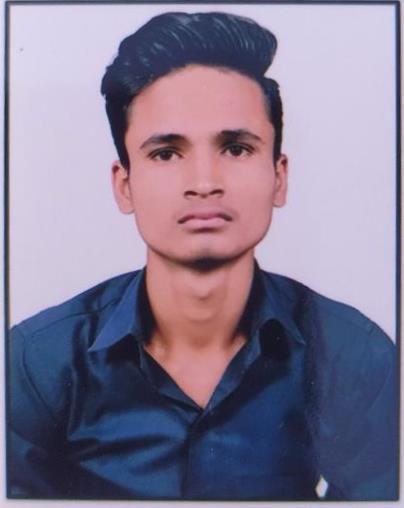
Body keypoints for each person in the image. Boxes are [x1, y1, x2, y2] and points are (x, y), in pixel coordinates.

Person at [8, 11, 397, 501]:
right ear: (124, 185)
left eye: (236, 148)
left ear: (279, 177)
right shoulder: (34, 364)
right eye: (166, 153)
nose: (204, 182)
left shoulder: (354, 356)